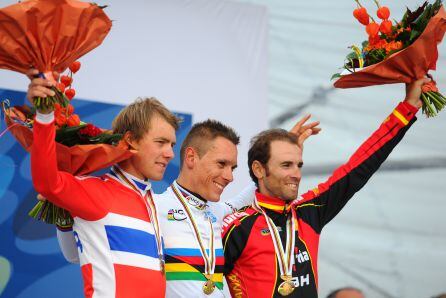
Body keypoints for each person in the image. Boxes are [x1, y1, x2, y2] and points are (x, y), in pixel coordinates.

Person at [222, 78, 430, 297]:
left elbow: (360, 167)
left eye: (298, 165)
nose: (296, 174)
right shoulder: (235, 226)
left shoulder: (309, 211)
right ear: (259, 169)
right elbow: (199, 285)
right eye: (286, 165)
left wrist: (408, 108)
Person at [27, 70, 180, 298]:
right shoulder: (94, 191)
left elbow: (73, 254)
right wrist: (45, 116)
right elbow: (47, 182)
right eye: (160, 143)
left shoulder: (154, 203)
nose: (169, 154)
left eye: (172, 144)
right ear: (130, 140)